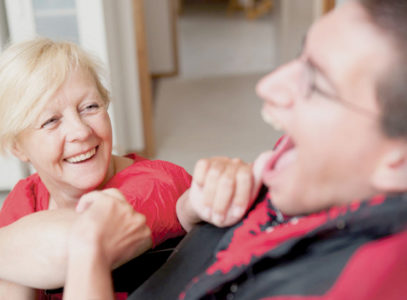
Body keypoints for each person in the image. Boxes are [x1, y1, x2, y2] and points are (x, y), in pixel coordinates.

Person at [62, 0, 407, 299]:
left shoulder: (342, 285)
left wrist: (88, 253)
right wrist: (200, 206)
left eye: (317, 83)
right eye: (301, 57)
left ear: (398, 161)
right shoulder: (320, 169)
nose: (267, 85)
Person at [0, 38, 193, 299]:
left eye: (90, 107)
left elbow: (78, 242)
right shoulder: (26, 198)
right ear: (17, 147)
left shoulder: (158, 182)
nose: (80, 131)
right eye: (51, 121)